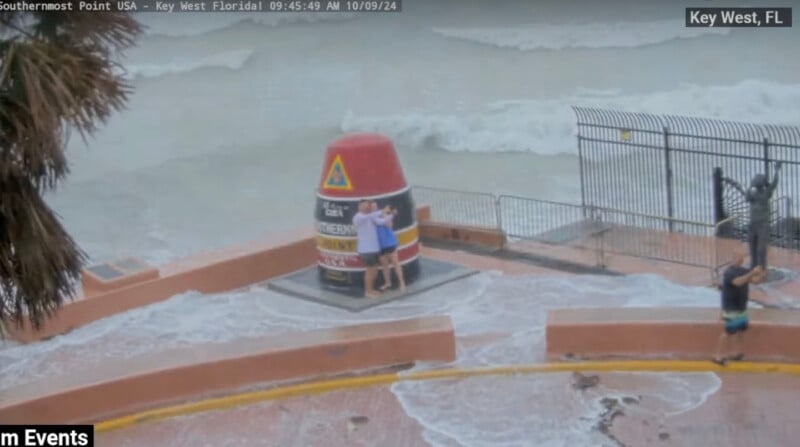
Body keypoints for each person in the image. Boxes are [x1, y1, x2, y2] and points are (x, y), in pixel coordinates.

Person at [712, 249, 764, 366]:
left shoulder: (743, 270)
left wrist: (760, 274)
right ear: (734, 258)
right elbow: (738, 282)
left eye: (742, 257)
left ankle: (737, 353)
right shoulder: (729, 272)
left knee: (741, 330)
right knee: (728, 332)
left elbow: (755, 281)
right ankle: (718, 355)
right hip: (731, 308)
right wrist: (752, 273)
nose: (742, 260)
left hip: (741, 307)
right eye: (739, 257)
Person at [352, 199, 392, 298]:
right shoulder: (358, 217)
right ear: (359, 206)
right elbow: (371, 216)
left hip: (374, 249)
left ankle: (371, 290)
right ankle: (368, 291)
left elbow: (382, 222)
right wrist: (383, 211)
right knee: (370, 271)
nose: (367, 207)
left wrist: (391, 214)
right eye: (365, 205)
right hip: (366, 250)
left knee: (374, 270)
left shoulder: (371, 217)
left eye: (368, 206)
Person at [374, 203, 406, 293]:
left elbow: (389, 225)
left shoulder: (385, 216)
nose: (374, 209)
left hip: (390, 243)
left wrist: (386, 214)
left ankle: (402, 282)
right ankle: (387, 282)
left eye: (375, 207)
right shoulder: (372, 218)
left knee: (396, 263)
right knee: (384, 266)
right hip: (380, 245)